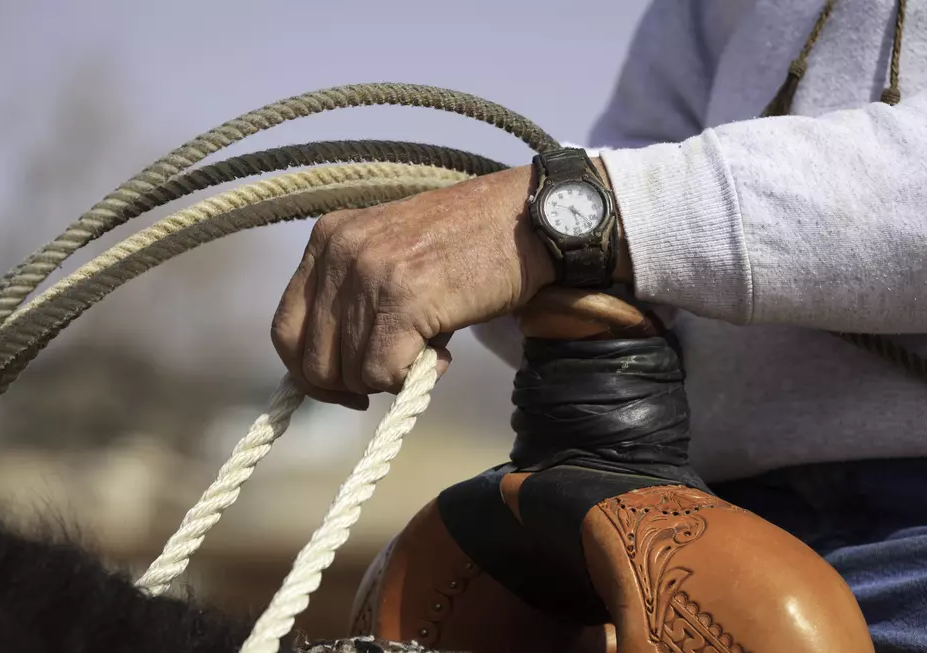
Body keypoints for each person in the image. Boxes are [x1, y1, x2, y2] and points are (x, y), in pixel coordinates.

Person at [270, 1, 927, 651]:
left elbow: (627, 205)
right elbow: (647, 177)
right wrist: (516, 259)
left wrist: (562, 222)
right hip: (698, 526)